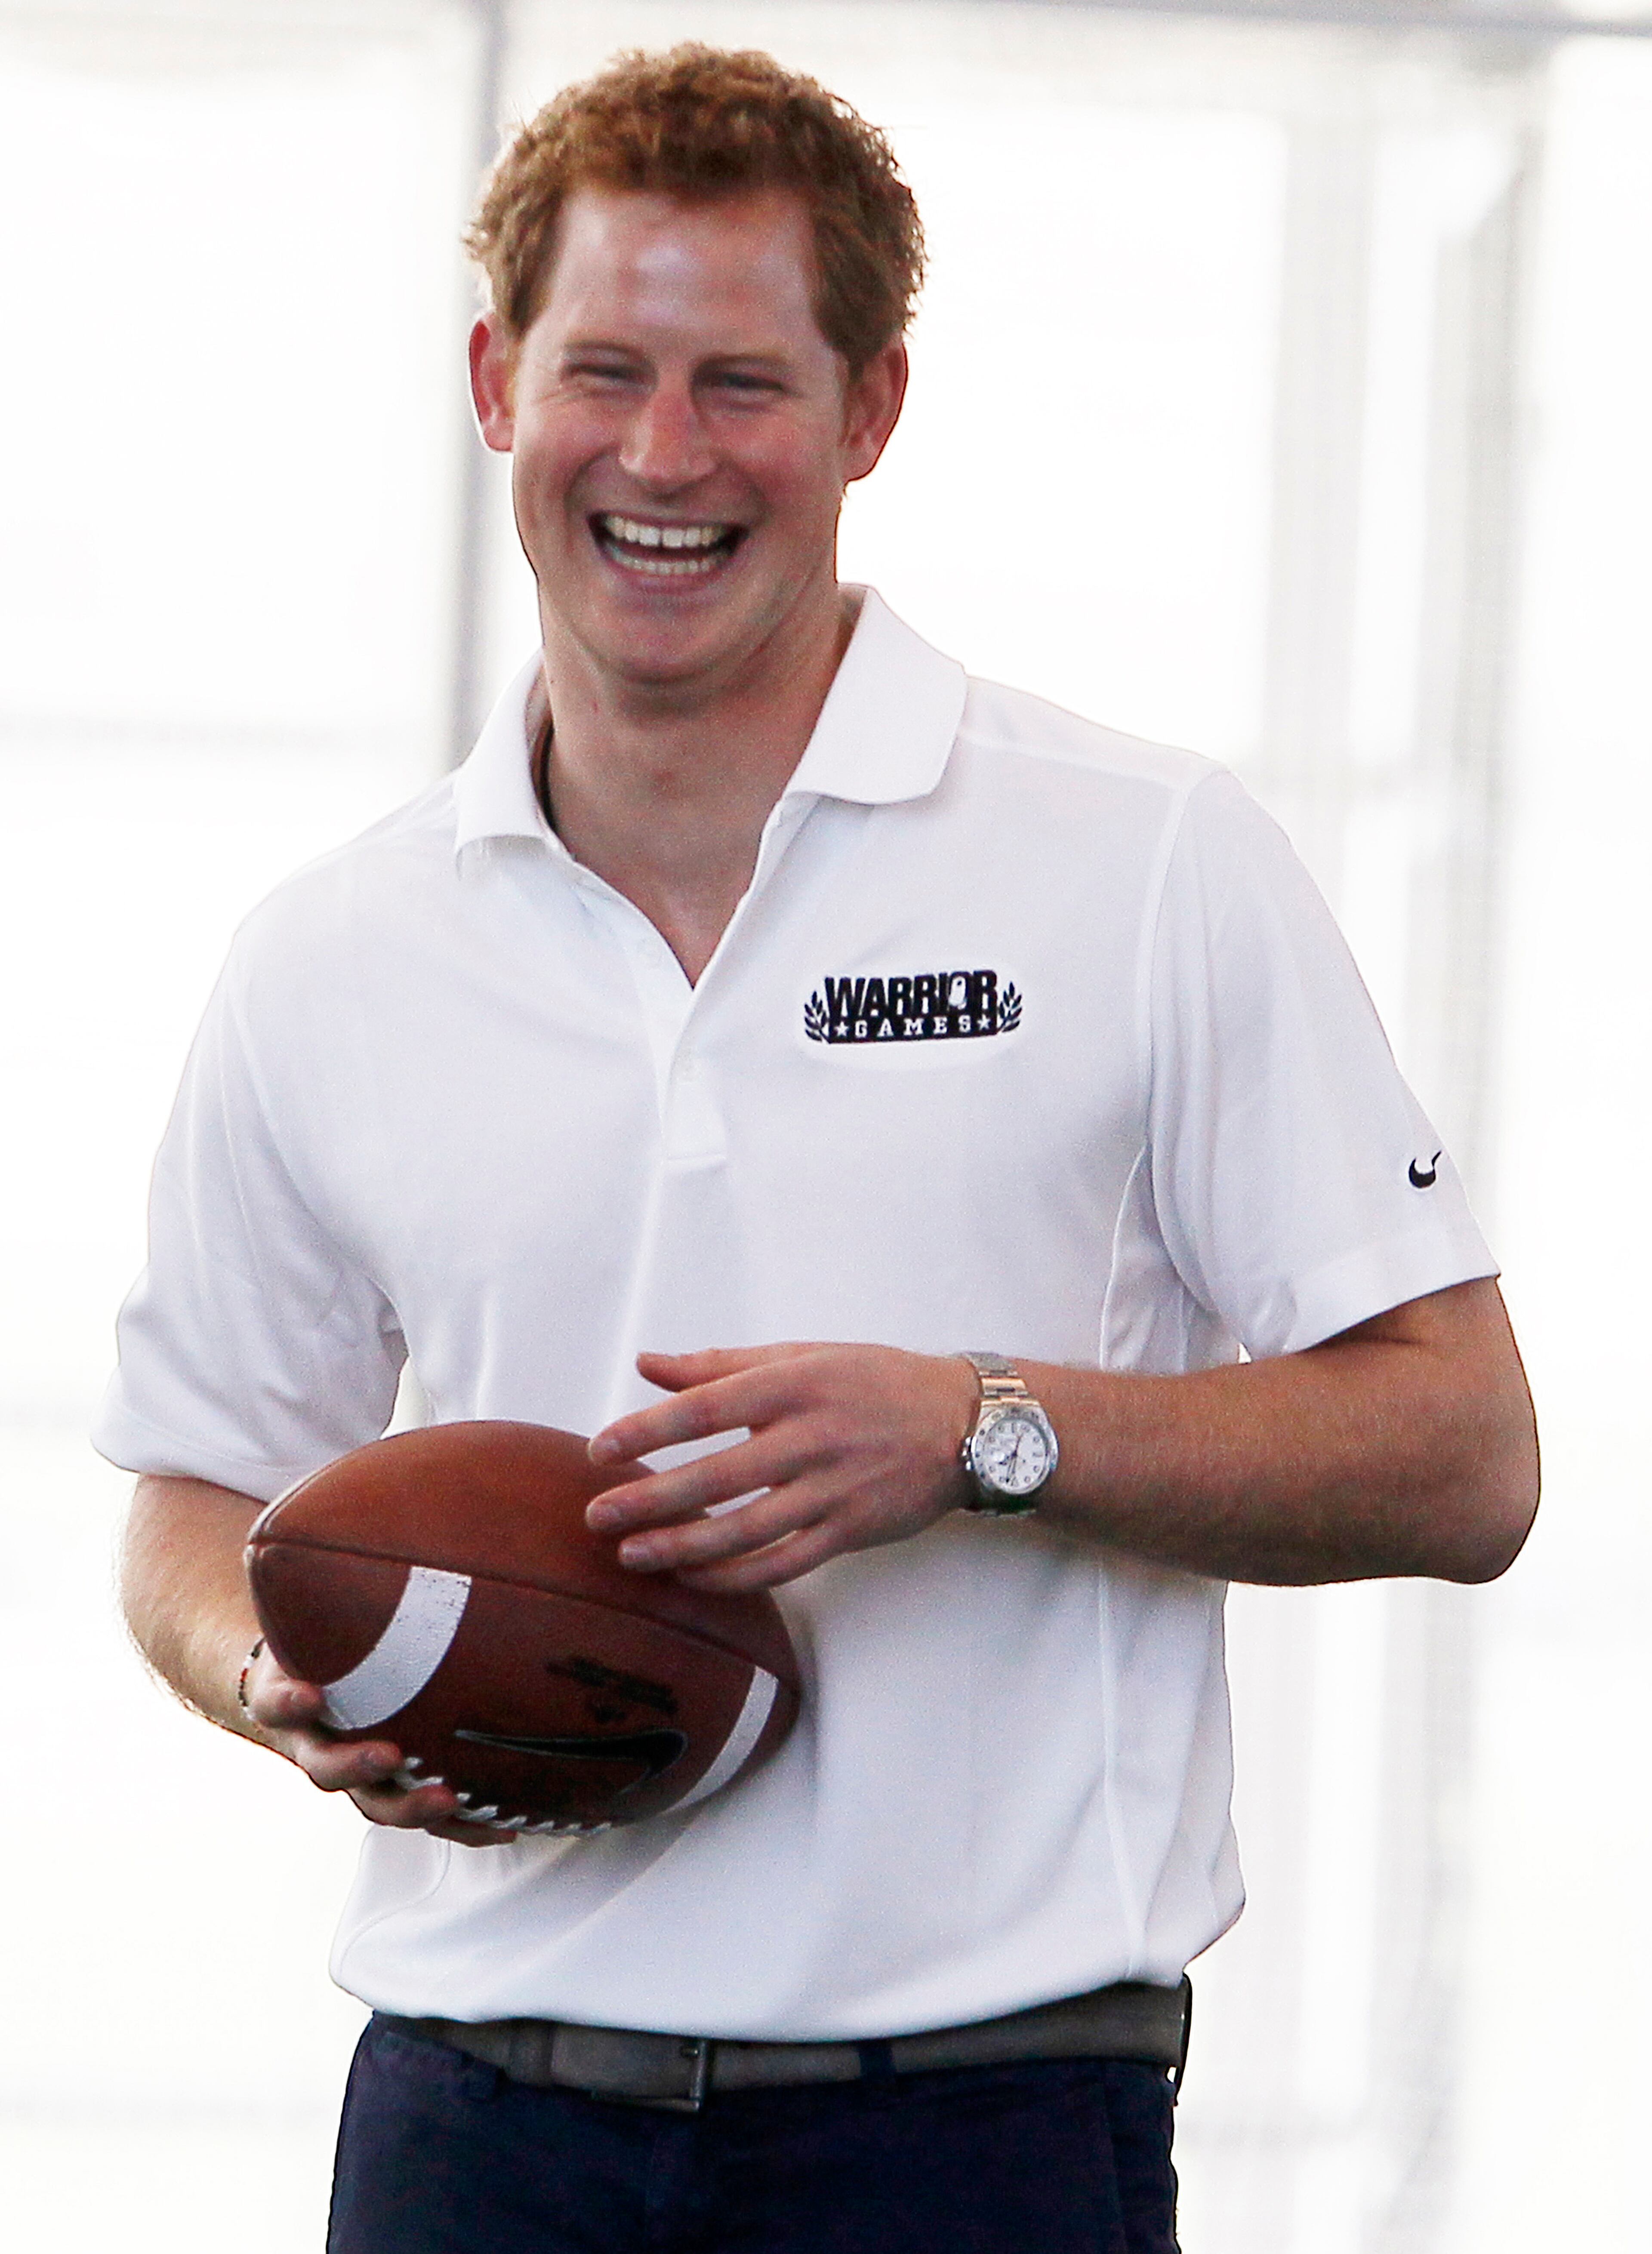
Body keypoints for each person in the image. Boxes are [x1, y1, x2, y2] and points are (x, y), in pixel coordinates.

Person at [100, 44, 1538, 2254]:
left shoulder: (1139, 859)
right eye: (606, 368)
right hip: (477, 2131)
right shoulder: (332, 952)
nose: (663, 456)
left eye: (743, 382)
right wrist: (273, 1675)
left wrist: (982, 1429)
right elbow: (196, 1489)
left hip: (978, 2131)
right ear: (497, 382)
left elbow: (1466, 1459)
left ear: (871, 412)